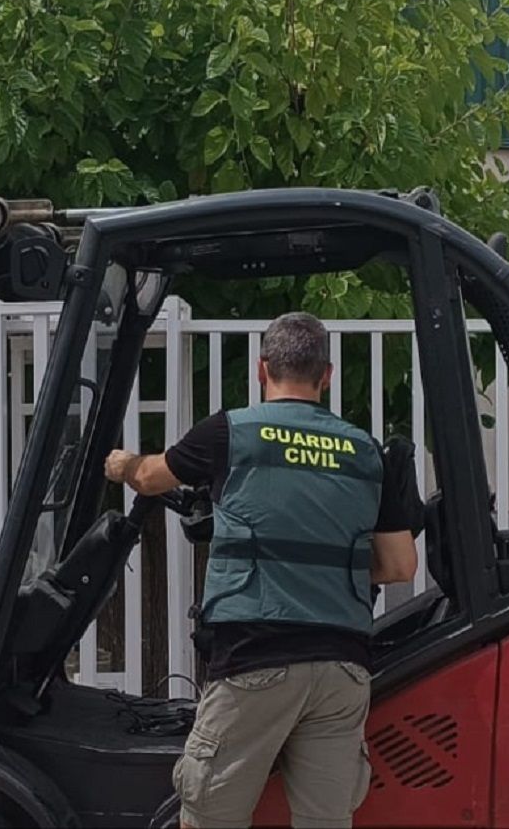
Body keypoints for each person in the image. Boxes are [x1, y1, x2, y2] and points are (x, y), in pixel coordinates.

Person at [105, 311, 421, 829]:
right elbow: (400, 564)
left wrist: (121, 465)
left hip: (257, 656)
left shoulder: (230, 432)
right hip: (341, 667)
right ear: (327, 376)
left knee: (213, 816)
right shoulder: (365, 451)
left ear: (262, 369)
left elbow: (151, 477)